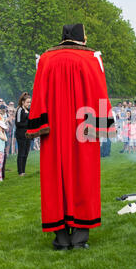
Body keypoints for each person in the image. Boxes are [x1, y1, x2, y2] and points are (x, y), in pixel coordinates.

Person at [26, 24, 115, 250]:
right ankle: (79, 239)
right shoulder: (92, 59)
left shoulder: (45, 59)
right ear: (81, 39)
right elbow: (99, 92)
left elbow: (38, 95)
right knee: (84, 178)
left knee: (54, 180)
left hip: (54, 130)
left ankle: (62, 239)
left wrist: (39, 125)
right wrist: (102, 125)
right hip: (83, 128)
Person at [15, 92, 32, 176]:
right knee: (21, 153)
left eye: (30, 102)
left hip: (28, 134)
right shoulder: (19, 110)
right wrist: (28, 124)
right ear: (23, 102)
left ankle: (23, 171)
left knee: (26, 153)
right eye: (27, 102)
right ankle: (20, 171)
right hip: (21, 134)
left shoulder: (29, 110)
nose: (29, 104)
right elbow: (18, 123)